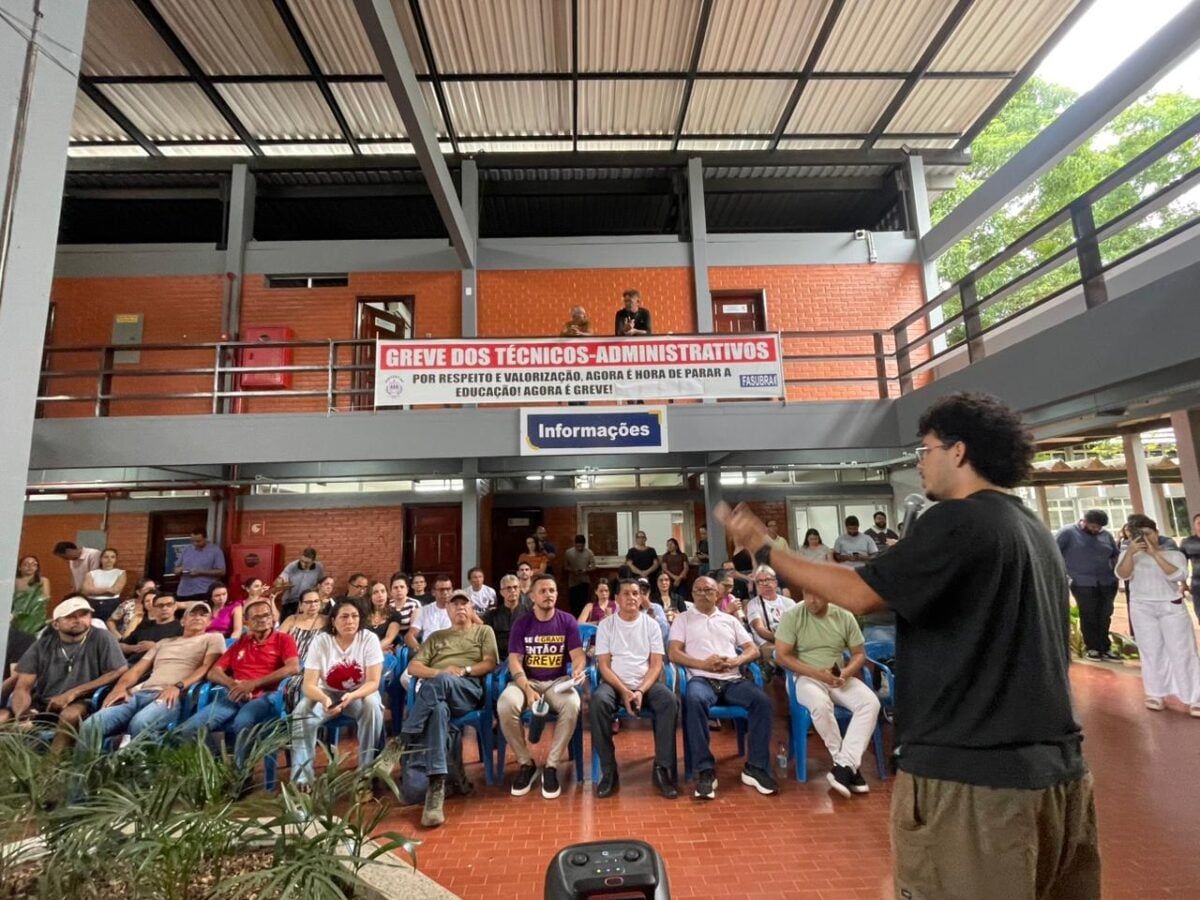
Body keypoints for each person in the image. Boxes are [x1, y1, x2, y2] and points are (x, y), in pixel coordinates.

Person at [719, 392, 1099, 899]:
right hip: (1059, 777)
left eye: (925, 449)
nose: (919, 462)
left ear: (958, 451)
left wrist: (766, 548)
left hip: (977, 782)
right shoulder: (1032, 529)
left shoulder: (959, 520)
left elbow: (859, 593)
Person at [668, 575, 778, 799]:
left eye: (708, 590)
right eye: (698, 590)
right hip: (701, 679)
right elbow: (674, 652)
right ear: (692, 595)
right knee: (694, 700)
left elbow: (752, 649)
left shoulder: (730, 620)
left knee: (762, 702)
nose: (703, 594)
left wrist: (736, 661)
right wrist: (703, 664)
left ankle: (756, 767)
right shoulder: (683, 619)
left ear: (717, 594)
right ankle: (705, 770)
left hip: (732, 679)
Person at [401, 590, 499, 827]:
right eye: (455, 605)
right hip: (439, 692)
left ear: (471, 609)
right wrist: (440, 673)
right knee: (438, 710)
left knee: (442, 685)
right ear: (447, 611)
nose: (460, 608)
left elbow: (490, 662)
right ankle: (436, 789)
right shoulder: (436, 637)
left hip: (467, 690)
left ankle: (405, 738)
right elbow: (414, 667)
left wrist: (463, 671)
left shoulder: (483, 631)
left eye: (464, 604)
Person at [775, 590, 880, 797]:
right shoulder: (793, 615)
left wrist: (845, 673)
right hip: (805, 678)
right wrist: (816, 674)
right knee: (821, 704)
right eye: (807, 594)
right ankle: (845, 765)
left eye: (817, 595)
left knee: (870, 703)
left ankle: (844, 766)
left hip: (837, 676)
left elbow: (859, 654)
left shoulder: (844, 616)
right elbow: (782, 656)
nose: (812, 600)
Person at [174, 598, 299, 768]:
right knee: (190, 728)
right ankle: (218, 767)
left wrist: (253, 684)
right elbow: (213, 672)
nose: (262, 619)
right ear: (246, 621)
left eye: (266, 615)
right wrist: (233, 685)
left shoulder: (283, 639)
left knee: (243, 722)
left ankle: (242, 774)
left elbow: (293, 668)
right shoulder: (240, 643)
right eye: (256, 617)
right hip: (233, 696)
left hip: (266, 696)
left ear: (273, 618)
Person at [81, 600, 224, 743]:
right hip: (140, 693)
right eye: (193, 614)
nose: (198, 617)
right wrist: (119, 688)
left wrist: (178, 686)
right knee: (91, 725)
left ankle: (139, 761)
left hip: (172, 696)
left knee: (140, 723)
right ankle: (88, 763)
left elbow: (206, 667)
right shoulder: (164, 643)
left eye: (203, 615)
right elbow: (137, 670)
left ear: (209, 622)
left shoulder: (213, 638)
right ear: (183, 621)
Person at [498, 574, 586, 800]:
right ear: (532, 596)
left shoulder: (567, 621)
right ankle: (526, 764)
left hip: (558, 683)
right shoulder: (522, 623)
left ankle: (551, 766)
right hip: (528, 681)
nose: (549, 595)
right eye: (543, 591)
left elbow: (578, 655)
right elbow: (515, 659)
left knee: (573, 704)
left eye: (552, 591)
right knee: (506, 704)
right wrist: (527, 689)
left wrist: (577, 669)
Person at [1, 596, 127, 752]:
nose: (78, 620)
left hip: (84, 700)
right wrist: (22, 715)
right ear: (56, 623)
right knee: (3, 719)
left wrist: (73, 693)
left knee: (70, 715)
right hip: (44, 702)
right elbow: (23, 687)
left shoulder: (102, 637)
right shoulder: (42, 645)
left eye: (84, 615)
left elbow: (118, 670)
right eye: (70, 617)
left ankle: (52, 766)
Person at [591, 578, 680, 799]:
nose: (632, 597)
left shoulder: (651, 625)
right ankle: (609, 771)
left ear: (641, 598)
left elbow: (657, 664)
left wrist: (639, 691)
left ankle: (662, 768)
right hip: (614, 684)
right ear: (617, 599)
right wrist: (624, 691)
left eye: (636, 593)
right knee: (598, 702)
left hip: (646, 684)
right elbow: (603, 665)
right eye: (626, 594)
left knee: (669, 700)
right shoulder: (606, 625)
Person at [291, 597, 386, 789]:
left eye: (354, 616)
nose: (350, 621)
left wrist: (351, 696)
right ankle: (302, 779)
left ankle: (365, 774)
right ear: (333, 621)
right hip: (327, 692)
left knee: (373, 705)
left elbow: (373, 682)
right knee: (301, 712)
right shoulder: (321, 641)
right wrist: (325, 699)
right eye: (344, 617)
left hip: (358, 693)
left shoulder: (369, 639)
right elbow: (308, 685)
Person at [1115, 514, 1200, 716]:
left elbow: (1177, 575)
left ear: (1156, 533)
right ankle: (1156, 693)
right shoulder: (1129, 555)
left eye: (1147, 534)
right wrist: (1130, 554)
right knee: (1151, 651)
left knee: (1183, 652)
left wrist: (1155, 554)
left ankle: (1194, 696)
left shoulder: (1173, 554)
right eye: (1138, 535)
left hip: (1171, 607)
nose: (1144, 538)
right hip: (1142, 607)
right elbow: (1123, 574)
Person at [1057, 509, 1121, 661]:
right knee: (1089, 613)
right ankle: (1092, 647)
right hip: (1082, 581)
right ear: (1084, 521)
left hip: (1107, 580)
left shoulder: (1106, 535)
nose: (1096, 530)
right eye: (1093, 526)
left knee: (1105, 613)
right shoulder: (1067, 533)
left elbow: (1114, 554)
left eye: (1099, 527)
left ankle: (1105, 647)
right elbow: (1054, 551)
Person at [279, 589, 329, 711]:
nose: (313, 605)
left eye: (316, 601)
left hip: (316, 667)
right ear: (301, 605)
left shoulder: (327, 621)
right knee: (287, 684)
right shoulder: (292, 619)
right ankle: (289, 721)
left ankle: (303, 722)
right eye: (309, 602)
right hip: (293, 664)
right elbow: (277, 641)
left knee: (303, 686)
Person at [745, 565, 796, 671]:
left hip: (790, 641)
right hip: (767, 643)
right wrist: (781, 640)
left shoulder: (788, 602)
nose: (765, 584)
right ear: (757, 585)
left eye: (768, 579)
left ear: (775, 582)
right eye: (760, 581)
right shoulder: (753, 604)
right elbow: (760, 629)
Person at [119, 592, 182, 662]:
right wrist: (134, 648)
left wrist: (155, 647)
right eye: (160, 605)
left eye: (169, 605)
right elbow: (121, 646)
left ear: (175, 606)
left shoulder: (180, 628)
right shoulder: (145, 625)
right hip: (129, 662)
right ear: (154, 608)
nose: (164, 608)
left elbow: (180, 652)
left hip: (156, 666)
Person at [405, 575, 456, 654]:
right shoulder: (424, 611)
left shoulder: (459, 610)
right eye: (441, 590)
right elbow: (409, 636)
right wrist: (420, 649)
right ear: (433, 592)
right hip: (428, 653)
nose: (445, 592)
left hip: (451, 652)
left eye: (448, 589)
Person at [174, 530, 227, 604]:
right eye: (193, 541)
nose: (195, 543)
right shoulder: (187, 549)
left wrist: (200, 572)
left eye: (198, 541)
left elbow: (221, 571)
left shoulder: (215, 551)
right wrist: (178, 570)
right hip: (184, 592)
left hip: (203, 591)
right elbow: (176, 568)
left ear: (205, 538)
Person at [272, 547, 324, 620]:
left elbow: (321, 583)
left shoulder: (319, 568)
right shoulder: (292, 566)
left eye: (306, 563)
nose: (303, 564)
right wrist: (279, 581)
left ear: (313, 561)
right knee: (285, 624)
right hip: (289, 601)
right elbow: (282, 577)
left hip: (306, 602)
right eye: (301, 561)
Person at [80, 548, 126, 622]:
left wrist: (94, 590)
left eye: (112, 557)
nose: (109, 559)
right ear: (101, 559)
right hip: (93, 604)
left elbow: (115, 591)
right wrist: (108, 589)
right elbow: (86, 590)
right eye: (106, 557)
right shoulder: (91, 573)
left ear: (116, 559)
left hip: (112, 604)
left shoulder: (120, 573)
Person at [13, 555, 51, 636]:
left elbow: (45, 598)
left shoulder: (43, 581)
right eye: (26, 564)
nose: (30, 567)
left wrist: (27, 608)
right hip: (17, 618)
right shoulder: (14, 582)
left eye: (34, 564)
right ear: (19, 567)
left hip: (35, 618)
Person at [364, 580, 402, 653]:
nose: (380, 595)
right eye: (375, 592)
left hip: (385, 654)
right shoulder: (363, 615)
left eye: (383, 591)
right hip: (365, 652)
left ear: (387, 594)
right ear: (370, 597)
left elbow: (389, 639)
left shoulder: (394, 615)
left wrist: (371, 650)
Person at [563, 535, 596, 616]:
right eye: (578, 546)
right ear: (575, 544)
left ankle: (583, 619)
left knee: (583, 602)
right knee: (573, 603)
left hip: (584, 580)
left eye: (581, 546)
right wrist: (573, 570)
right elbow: (565, 566)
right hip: (573, 581)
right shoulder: (568, 553)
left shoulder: (589, 553)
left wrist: (586, 570)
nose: (579, 547)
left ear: (584, 544)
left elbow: (594, 566)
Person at [1177, 512, 1200, 620]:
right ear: (1194, 526)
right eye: (1199, 523)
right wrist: (1183, 583)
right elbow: (1181, 564)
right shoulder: (1187, 543)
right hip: (1197, 585)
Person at [388, 572, 421, 643]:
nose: (399, 590)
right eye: (395, 587)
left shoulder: (414, 604)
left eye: (402, 587)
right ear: (391, 591)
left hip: (408, 639)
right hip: (389, 639)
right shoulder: (387, 605)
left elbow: (414, 629)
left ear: (407, 589)